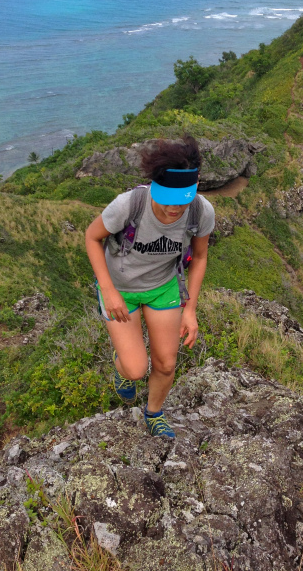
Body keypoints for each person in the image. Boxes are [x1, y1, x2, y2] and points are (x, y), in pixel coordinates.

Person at [85, 136, 215, 438]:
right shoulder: (129, 205)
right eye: (167, 199)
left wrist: (190, 309)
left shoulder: (200, 211)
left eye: (182, 200)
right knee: (135, 369)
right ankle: (123, 369)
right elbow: (92, 238)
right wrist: (108, 290)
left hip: (163, 286)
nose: (174, 209)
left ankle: (154, 412)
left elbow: (201, 257)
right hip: (120, 288)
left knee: (167, 364)